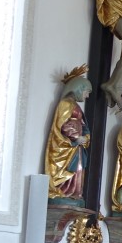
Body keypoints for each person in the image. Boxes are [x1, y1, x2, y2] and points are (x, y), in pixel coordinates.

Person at [45, 69, 92, 205]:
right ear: (79, 88)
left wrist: (86, 136)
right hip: (68, 145)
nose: (87, 96)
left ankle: (74, 193)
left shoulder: (75, 106)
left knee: (78, 169)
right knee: (70, 169)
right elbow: (62, 124)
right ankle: (64, 192)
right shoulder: (66, 103)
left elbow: (83, 124)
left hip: (77, 147)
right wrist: (76, 137)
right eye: (87, 92)